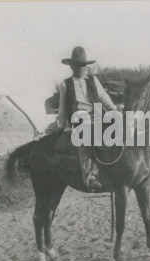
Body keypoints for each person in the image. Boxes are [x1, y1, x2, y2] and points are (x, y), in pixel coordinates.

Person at [56, 46, 117, 191]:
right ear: (71, 66)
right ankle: (90, 176)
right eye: (77, 66)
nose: (81, 68)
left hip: (96, 115)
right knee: (86, 138)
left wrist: (113, 109)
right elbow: (63, 106)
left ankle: (115, 170)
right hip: (79, 119)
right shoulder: (65, 84)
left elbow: (103, 97)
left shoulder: (93, 80)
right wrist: (61, 126)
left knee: (115, 132)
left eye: (83, 65)